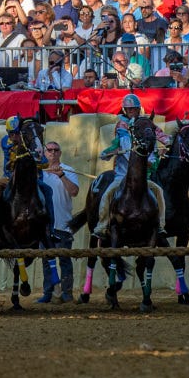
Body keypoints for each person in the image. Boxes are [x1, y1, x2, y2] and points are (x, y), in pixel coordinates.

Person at [91, 93, 168, 239]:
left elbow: (159, 135)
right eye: (129, 109)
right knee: (107, 194)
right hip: (122, 176)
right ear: (125, 111)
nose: (132, 111)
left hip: (142, 178)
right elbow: (126, 144)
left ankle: (160, 225)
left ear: (139, 109)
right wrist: (144, 160)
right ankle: (102, 225)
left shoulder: (145, 123)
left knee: (159, 192)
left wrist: (168, 142)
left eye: (134, 109)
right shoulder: (122, 125)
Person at [37, 139, 78, 304]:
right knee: (47, 260)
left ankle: (67, 293)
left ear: (60, 153)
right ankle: (48, 292)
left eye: (56, 150)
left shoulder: (68, 169)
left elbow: (74, 192)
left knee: (64, 259)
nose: (52, 153)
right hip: (45, 225)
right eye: (49, 150)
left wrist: (61, 175)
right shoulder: (39, 172)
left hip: (63, 223)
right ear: (44, 153)